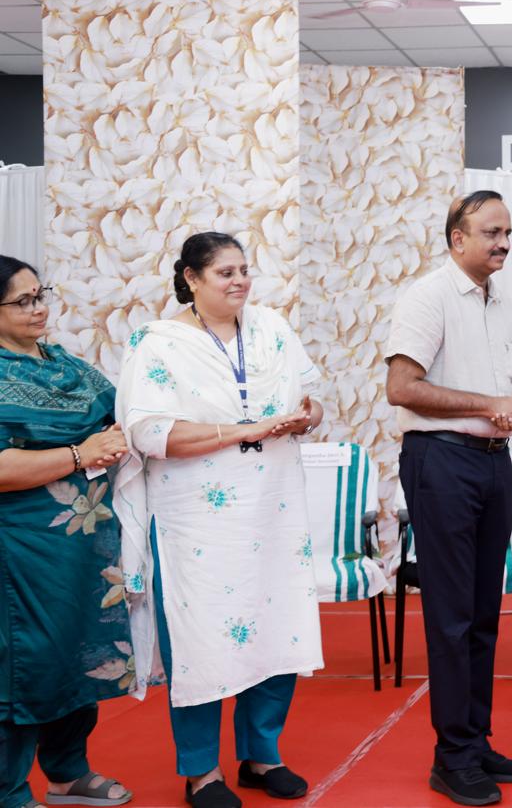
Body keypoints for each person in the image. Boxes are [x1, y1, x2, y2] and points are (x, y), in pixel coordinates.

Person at [114, 233, 324, 808]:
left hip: (273, 511)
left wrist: (306, 416)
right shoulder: (157, 343)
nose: (240, 281)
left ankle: (262, 757)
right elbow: (150, 433)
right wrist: (244, 430)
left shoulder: (272, 328)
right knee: (200, 639)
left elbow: (312, 400)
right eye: (225, 273)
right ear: (191, 278)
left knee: (277, 627)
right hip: (196, 521)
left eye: (244, 270)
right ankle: (202, 772)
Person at [386, 190, 512, 808]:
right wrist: (488, 404)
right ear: (457, 239)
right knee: (450, 616)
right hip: (441, 462)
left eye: (507, 233)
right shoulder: (428, 297)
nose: (503, 243)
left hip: (494, 463)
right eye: (491, 233)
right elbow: (402, 387)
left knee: (482, 612)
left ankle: (475, 741)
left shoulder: (503, 303)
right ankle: (451, 759)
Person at [0, 256, 132, 808]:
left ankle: (67, 774)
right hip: (22, 547)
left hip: (86, 545)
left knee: (81, 651)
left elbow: (121, 414)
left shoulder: (64, 363)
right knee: (24, 663)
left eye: (41, 295)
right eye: (23, 301)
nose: (39, 308)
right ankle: (8, 792)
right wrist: (81, 453)